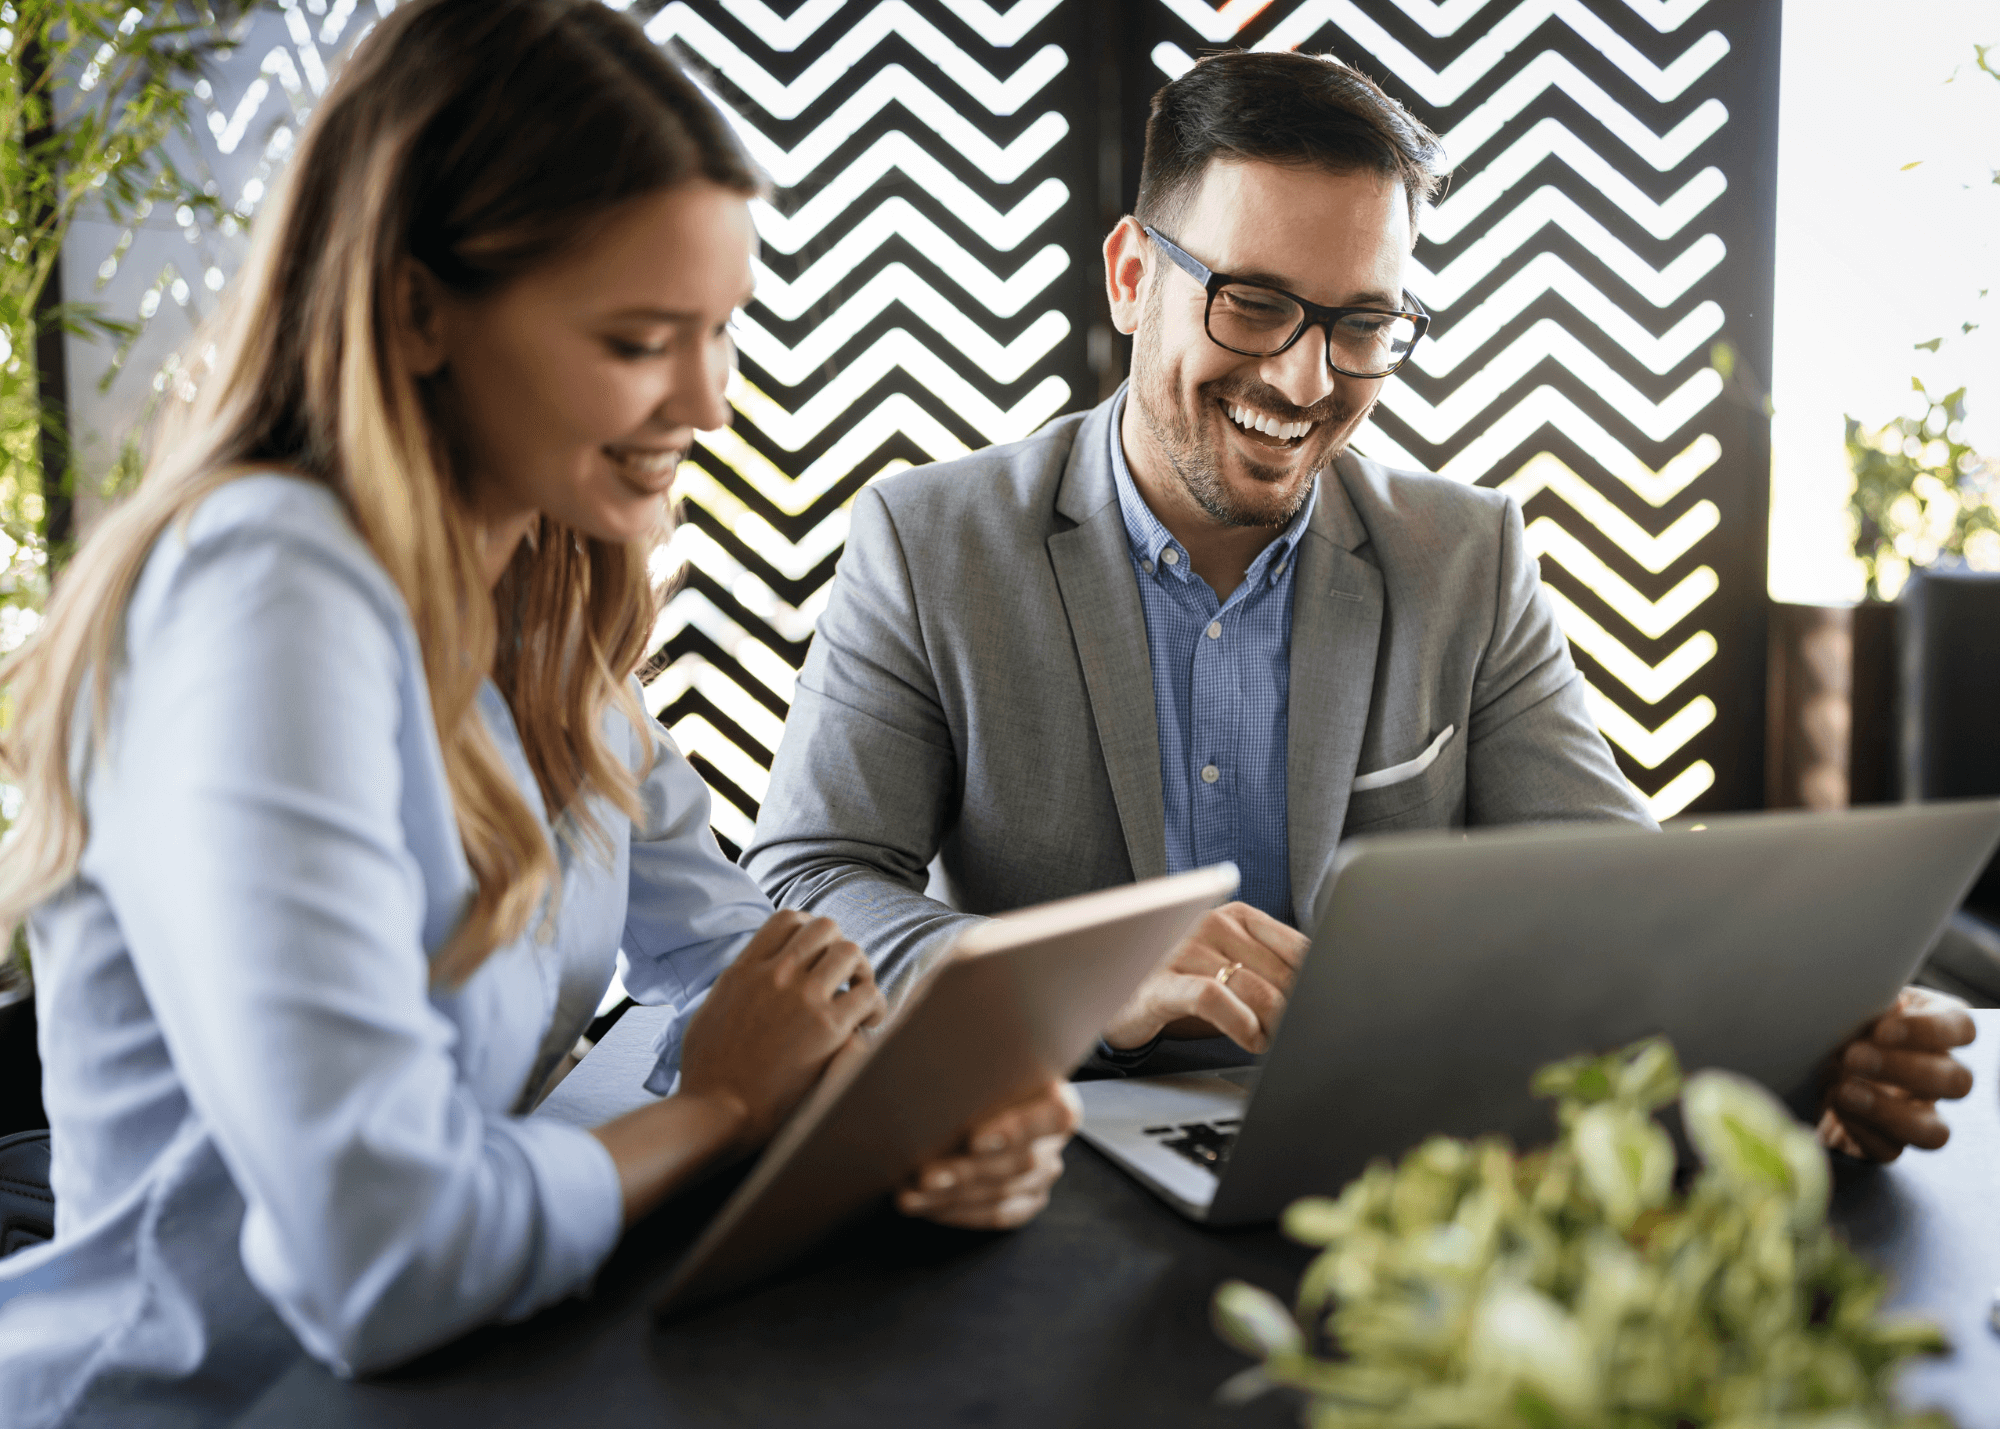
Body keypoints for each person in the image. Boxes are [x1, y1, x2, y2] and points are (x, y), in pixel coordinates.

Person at [0, 3, 1073, 1421]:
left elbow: (740, 954)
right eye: (639, 340)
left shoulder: (541, 605)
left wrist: (912, 1104)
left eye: (720, 331)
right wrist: (724, 1110)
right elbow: (376, 1254)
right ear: (418, 308)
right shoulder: (268, 593)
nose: (707, 399)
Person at [743, 50, 1974, 1161]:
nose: (1302, 377)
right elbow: (807, 877)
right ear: (1131, 279)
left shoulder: (1465, 555)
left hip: (1399, 1164)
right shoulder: (929, 539)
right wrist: (1072, 982)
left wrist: (1809, 1031)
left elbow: (1608, 895)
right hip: (1034, 1158)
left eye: (1361, 323)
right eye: (1252, 301)